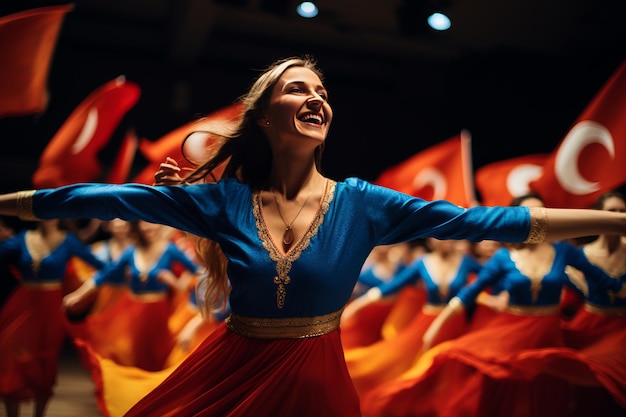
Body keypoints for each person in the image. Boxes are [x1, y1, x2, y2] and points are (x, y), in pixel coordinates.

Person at [1, 56, 626, 417]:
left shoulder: (365, 203)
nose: (317, 97)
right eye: (299, 87)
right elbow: (100, 197)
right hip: (231, 371)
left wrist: (614, 220)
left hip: (318, 379)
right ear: (264, 114)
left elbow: (491, 223)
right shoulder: (222, 203)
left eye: (323, 91)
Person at [361, 193, 626, 417]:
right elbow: (471, 292)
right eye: (526, 214)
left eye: (539, 212)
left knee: (548, 394)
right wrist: (436, 327)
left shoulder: (563, 251)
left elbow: (599, 280)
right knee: (507, 396)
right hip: (510, 334)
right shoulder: (503, 258)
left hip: (549, 336)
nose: (534, 219)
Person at [0, 219, 104, 417]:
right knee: (11, 359)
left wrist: (84, 289)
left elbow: (103, 267)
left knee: (44, 361)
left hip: (49, 310)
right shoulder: (23, 238)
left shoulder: (68, 241)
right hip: (21, 306)